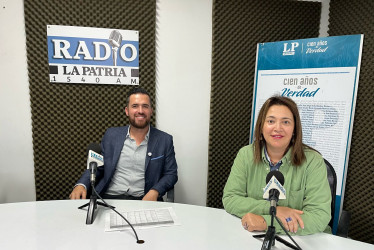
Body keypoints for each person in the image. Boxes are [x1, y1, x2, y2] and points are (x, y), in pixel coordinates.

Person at [222, 96, 331, 235]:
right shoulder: (245, 155)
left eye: (285, 122)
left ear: (295, 129)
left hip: (305, 239)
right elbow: (231, 198)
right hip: (251, 236)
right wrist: (273, 209)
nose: (277, 128)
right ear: (261, 126)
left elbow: (318, 216)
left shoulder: (313, 161)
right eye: (271, 121)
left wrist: (265, 222)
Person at [70, 87, 178, 201]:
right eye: (135, 106)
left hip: (143, 200)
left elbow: (171, 174)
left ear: (151, 110)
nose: (140, 111)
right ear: (127, 111)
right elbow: (98, 166)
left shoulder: (164, 140)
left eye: (145, 106)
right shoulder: (111, 135)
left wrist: (155, 191)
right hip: (109, 198)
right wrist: (82, 184)